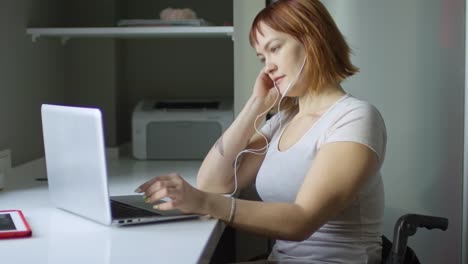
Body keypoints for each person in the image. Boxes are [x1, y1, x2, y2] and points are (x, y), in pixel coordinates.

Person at [135, 0, 387, 263]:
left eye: (275, 49)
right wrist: (256, 105)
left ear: (314, 39)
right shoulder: (283, 120)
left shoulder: (355, 118)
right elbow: (213, 183)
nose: (268, 66)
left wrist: (204, 203)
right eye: (262, 57)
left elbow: (301, 220)